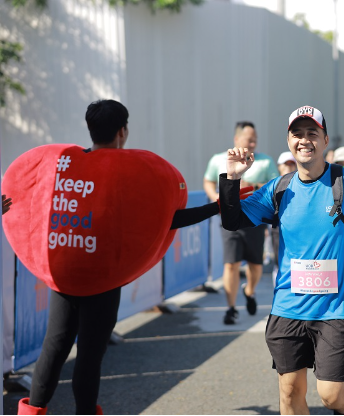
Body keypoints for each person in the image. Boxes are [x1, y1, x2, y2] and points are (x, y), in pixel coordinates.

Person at [15, 100, 229, 416]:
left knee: (54, 347)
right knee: (89, 355)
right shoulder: (129, 173)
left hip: (64, 273)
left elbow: (27, 200)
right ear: (123, 131)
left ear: (90, 129)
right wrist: (219, 205)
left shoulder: (68, 166)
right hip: (103, 279)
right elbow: (168, 219)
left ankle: (31, 411)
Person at [218, 105, 344, 416]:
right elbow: (232, 220)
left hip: (337, 307)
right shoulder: (279, 189)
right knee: (290, 391)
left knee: (332, 395)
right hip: (289, 306)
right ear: (289, 141)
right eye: (297, 134)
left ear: (325, 140)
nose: (304, 140)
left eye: (312, 133)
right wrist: (231, 179)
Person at [204, 121, 279, 325]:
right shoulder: (219, 159)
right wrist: (215, 198)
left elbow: (276, 185)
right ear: (237, 139)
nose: (253, 142)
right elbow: (209, 180)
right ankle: (230, 308)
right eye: (249, 138)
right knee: (231, 264)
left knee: (255, 265)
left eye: (255, 139)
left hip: (254, 219)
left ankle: (250, 291)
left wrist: (253, 185)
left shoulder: (265, 161)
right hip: (228, 217)